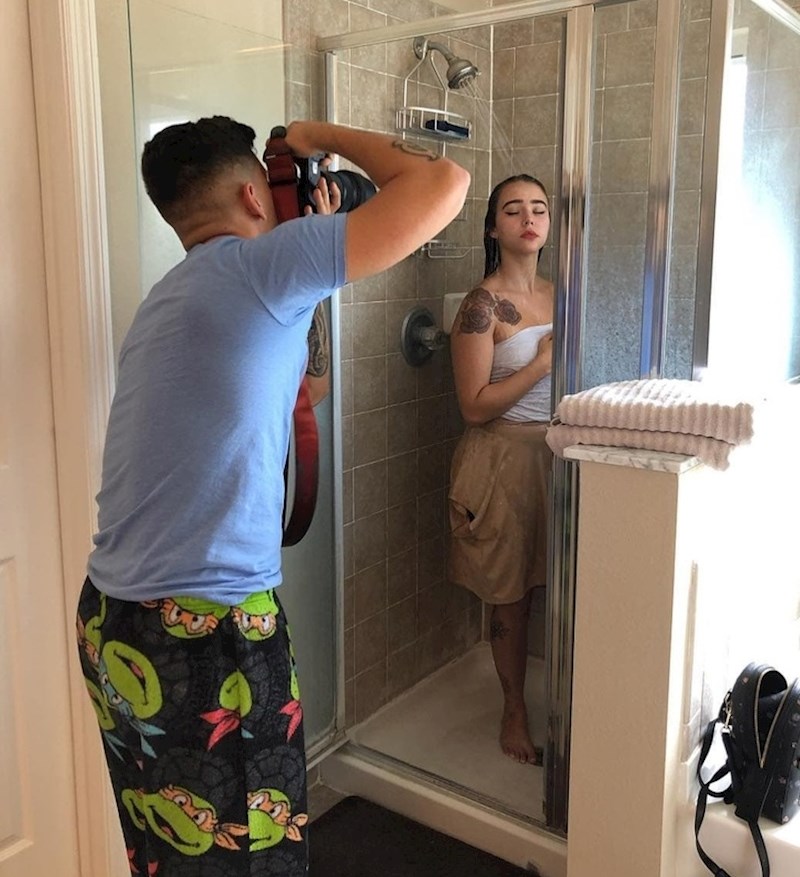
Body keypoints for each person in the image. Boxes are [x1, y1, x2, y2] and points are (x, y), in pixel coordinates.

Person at [76, 116, 469, 876]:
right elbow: (442, 184)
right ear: (256, 196)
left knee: (170, 851)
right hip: (205, 625)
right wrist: (312, 133)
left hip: (113, 618)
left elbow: (305, 390)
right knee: (252, 859)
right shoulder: (260, 270)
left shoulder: (172, 298)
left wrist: (313, 255)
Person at [448, 174, 553, 766]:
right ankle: (513, 708)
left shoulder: (562, 294)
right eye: (513, 210)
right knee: (511, 595)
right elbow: (473, 406)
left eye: (538, 208)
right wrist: (539, 366)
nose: (528, 219)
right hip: (501, 461)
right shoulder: (481, 304)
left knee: (556, 582)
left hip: (557, 453)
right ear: (493, 228)